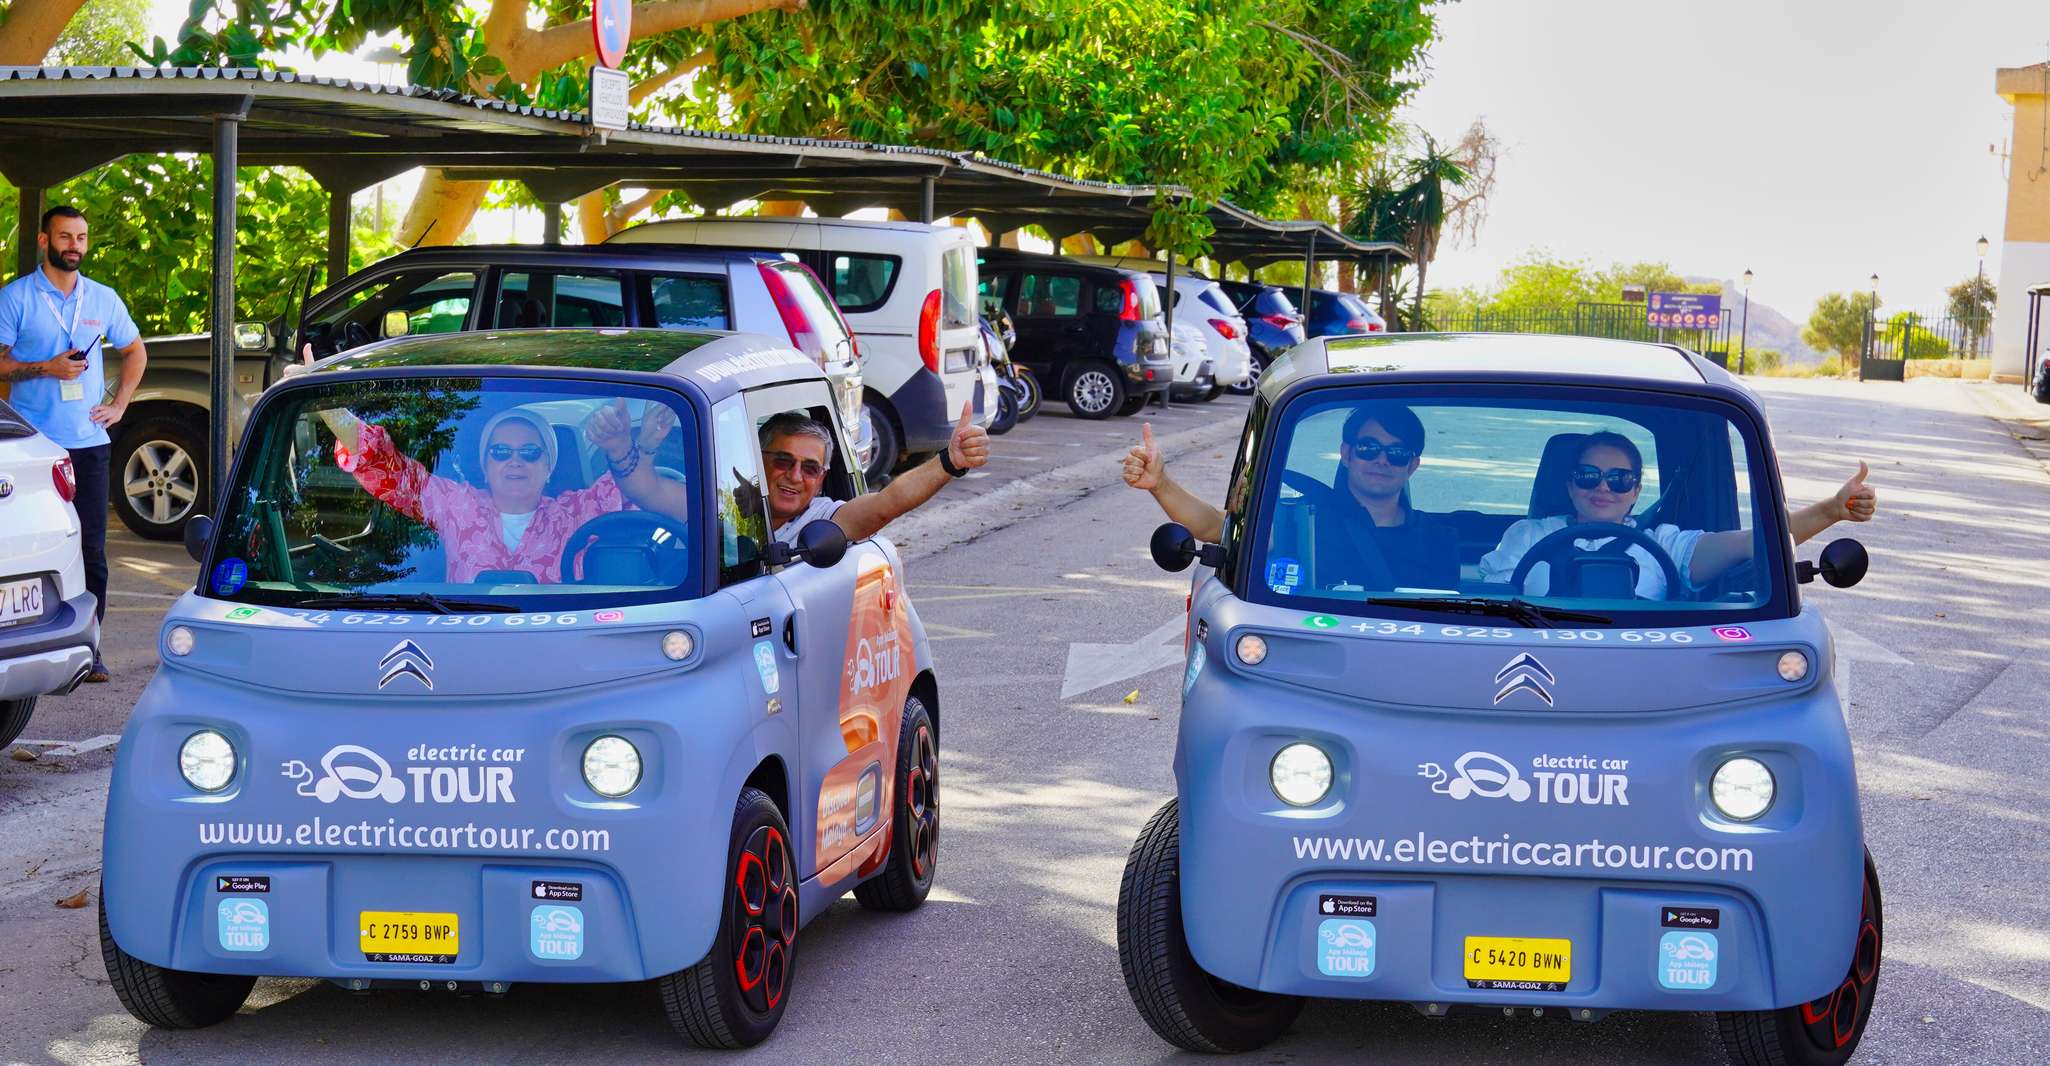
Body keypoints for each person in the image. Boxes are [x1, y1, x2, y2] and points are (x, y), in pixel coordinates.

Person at [0, 206, 147, 682]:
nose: (75, 246)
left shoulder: (101, 299)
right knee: (26, 549)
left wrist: (120, 406)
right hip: (34, 447)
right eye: (65, 237)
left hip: (88, 444)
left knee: (92, 553)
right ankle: (26, 638)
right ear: (44, 241)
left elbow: (135, 351)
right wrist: (46, 367)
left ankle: (91, 648)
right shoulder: (16, 298)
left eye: (81, 237)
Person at [320, 398, 687, 583]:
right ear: (485, 465)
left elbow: (637, 486)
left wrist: (637, 441)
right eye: (501, 452)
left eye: (530, 453)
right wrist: (330, 408)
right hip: (462, 649)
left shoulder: (579, 509)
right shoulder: (455, 504)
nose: (515, 461)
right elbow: (388, 469)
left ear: (548, 467)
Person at [1478, 431, 1876, 599]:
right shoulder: (1526, 535)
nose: (1602, 488)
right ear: (1568, 485)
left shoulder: (1665, 543)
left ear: (1635, 491)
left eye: (1618, 480)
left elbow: (1757, 541)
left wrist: (1831, 510)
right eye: (1588, 476)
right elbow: (1494, 607)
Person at [1123, 403, 1458, 590]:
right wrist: (1160, 483)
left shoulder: (1438, 540)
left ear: (1413, 465)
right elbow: (1214, 525)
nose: (1382, 460)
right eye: (1369, 448)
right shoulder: (1303, 522)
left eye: (1397, 453)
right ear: (1347, 453)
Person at [758, 401, 990, 546]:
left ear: (821, 479)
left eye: (810, 468)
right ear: (759, 461)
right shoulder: (724, 504)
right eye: (783, 461)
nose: (795, 476)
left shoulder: (821, 517)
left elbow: (886, 504)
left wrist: (948, 462)